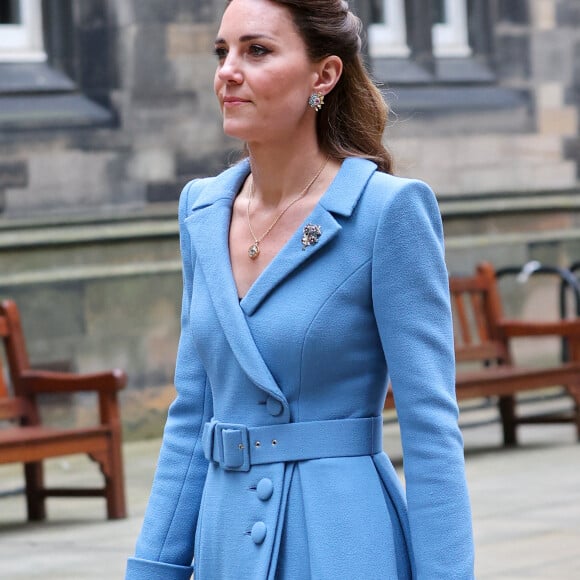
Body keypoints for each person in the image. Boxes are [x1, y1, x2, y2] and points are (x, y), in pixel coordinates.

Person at [126, 0, 475, 578]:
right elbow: (192, 414)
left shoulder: (387, 212)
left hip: (342, 541)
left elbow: (430, 427)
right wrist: (153, 568)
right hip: (225, 544)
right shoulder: (202, 211)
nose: (228, 71)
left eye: (256, 50)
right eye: (223, 52)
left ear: (324, 75)